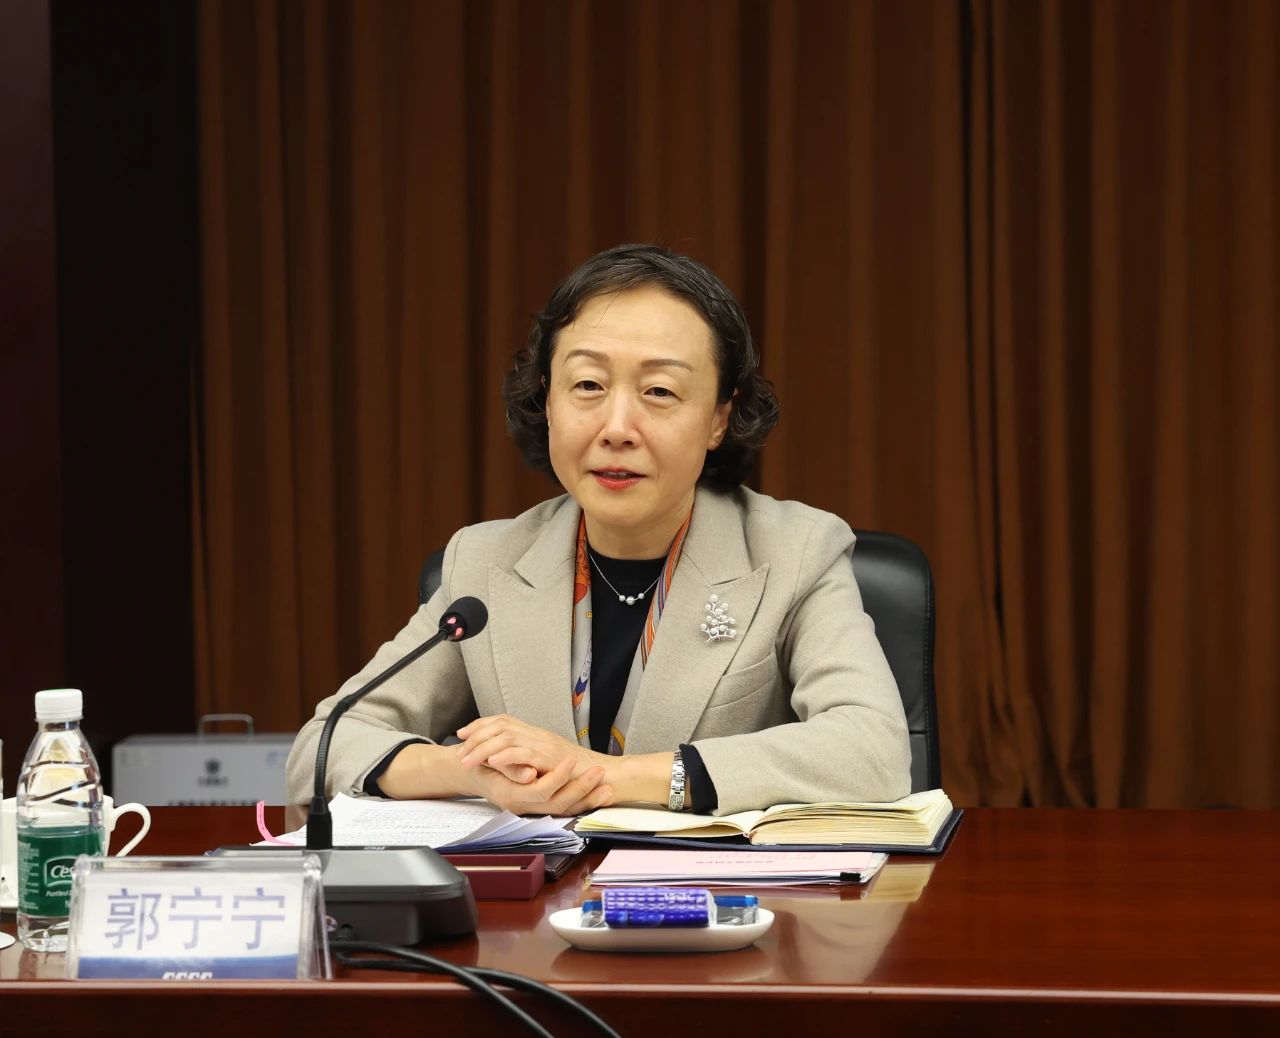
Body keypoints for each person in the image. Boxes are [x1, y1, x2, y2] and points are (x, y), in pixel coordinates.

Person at [285, 244, 911, 816]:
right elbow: (325, 744)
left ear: (719, 418)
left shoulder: (795, 551)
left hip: (716, 900)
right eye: (587, 385)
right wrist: (470, 771)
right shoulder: (485, 562)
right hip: (539, 903)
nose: (616, 427)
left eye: (659, 391)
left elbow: (872, 750)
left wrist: (608, 777)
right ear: (547, 401)